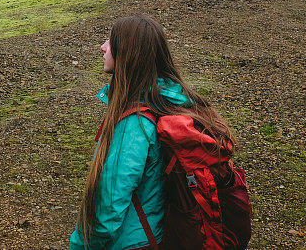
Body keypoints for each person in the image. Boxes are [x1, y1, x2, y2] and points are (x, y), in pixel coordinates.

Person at [68, 14, 238, 250]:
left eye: (110, 41)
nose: (103, 47)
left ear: (127, 52)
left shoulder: (134, 124)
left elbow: (107, 215)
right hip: (156, 235)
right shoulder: (171, 102)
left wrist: (79, 245)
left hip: (129, 244)